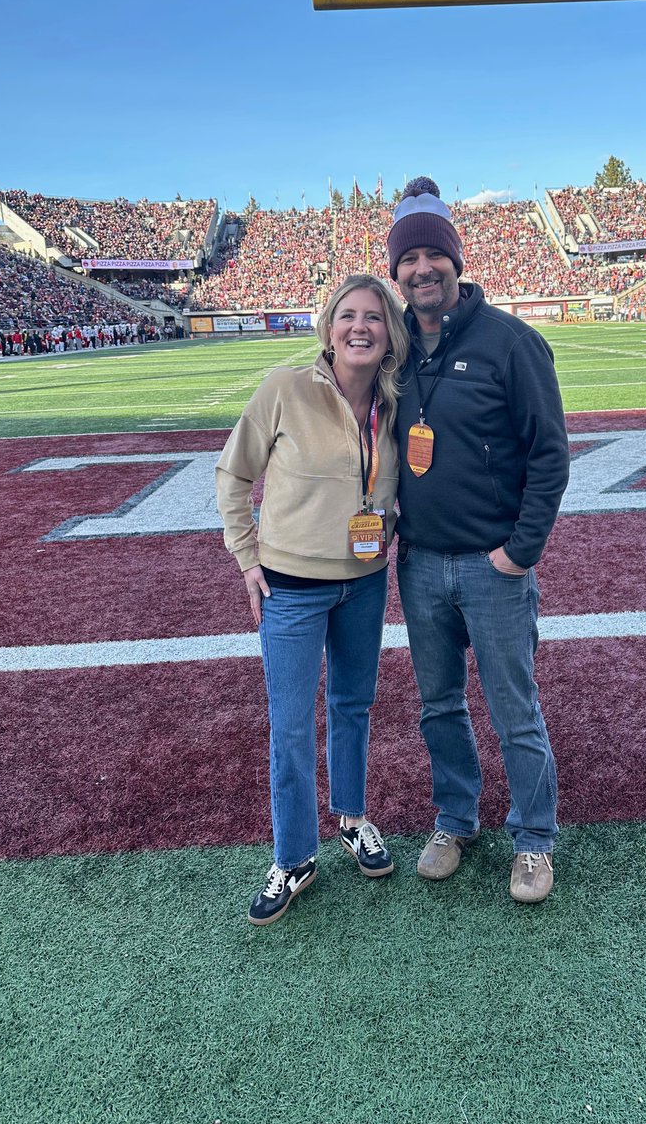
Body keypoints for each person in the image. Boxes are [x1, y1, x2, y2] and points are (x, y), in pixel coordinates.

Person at [386, 177, 570, 904]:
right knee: (438, 705)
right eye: (409, 259)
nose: (422, 269)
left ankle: (533, 838)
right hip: (421, 563)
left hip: (495, 567)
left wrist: (520, 551)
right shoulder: (396, 349)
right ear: (395, 270)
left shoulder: (512, 343)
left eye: (435, 254)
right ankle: (456, 819)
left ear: (457, 262)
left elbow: (550, 454)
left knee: (513, 705)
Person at [215, 274, 409, 926]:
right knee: (291, 726)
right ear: (328, 328)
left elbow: (394, 481)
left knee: (353, 705)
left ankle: (352, 818)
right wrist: (247, 558)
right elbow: (232, 472)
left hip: (365, 579)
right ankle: (294, 856)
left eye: (374, 318)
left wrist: (395, 519)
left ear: (389, 335)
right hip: (292, 588)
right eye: (348, 316)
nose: (361, 327)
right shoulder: (285, 389)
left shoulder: (395, 400)